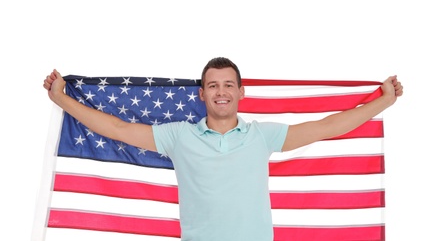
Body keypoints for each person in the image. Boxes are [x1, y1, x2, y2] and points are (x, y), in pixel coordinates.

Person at [43, 57, 403, 241]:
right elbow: (117, 128)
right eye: (213, 85)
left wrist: (384, 103)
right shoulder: (178, 136)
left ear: (241, 92)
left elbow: (327, 127)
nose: (221, 92)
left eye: (229, 85)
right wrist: (61, 98)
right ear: (202, 94)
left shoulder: (262, 136)